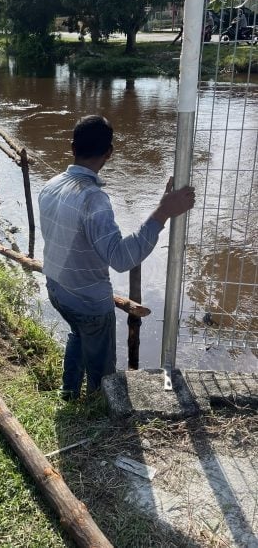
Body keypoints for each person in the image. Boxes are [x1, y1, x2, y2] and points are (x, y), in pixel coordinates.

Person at [38, 115, 195, 400]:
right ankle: (98, 408)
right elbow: (121, 259)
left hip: (56, 290)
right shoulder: (93, 199)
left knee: (77, 334)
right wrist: (162, 213)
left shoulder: (51, 185)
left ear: (71, 146)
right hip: (88, 303)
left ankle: (69, 394)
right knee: (102, 372)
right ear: (110, 153)